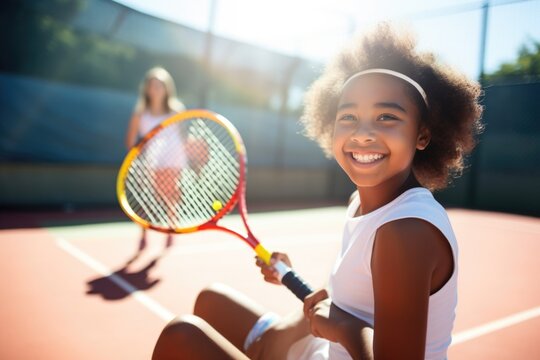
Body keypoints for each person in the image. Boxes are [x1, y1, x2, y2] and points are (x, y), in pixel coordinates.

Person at [152, 22, 483, 360]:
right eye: (349, 117)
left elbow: (351, 326)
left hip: (336, 346)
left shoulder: (406, 232)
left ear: (422, 135)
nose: (363, 133)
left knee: (180, 336)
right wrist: (291, 281)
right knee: (211, 300)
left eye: (386, 117)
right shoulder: (362, 202)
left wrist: (341, 327)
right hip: (324, 349)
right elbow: (351, 299)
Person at [125, 67, 186, 250]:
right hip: (150, 162)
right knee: (146, 199)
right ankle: (143, 233)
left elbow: (184, 138)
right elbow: (130, 141)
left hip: (173, 160)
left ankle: (171, 225)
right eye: (152, 85)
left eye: (160, 85)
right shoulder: (140, 113)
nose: (156, 89)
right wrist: (141, 158)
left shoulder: (177, 111)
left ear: (167, 88)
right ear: (147, 89)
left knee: (169, 195)